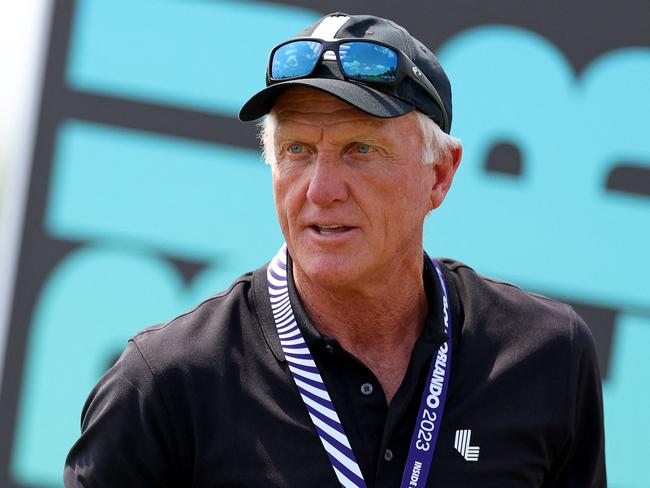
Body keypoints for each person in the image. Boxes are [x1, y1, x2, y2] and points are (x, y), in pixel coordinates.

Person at [64, 12, 606, 488]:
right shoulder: (163, 384)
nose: (321, 190)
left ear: (439, 175)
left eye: (360, 149)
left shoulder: (546, 357)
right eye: (297, 150)